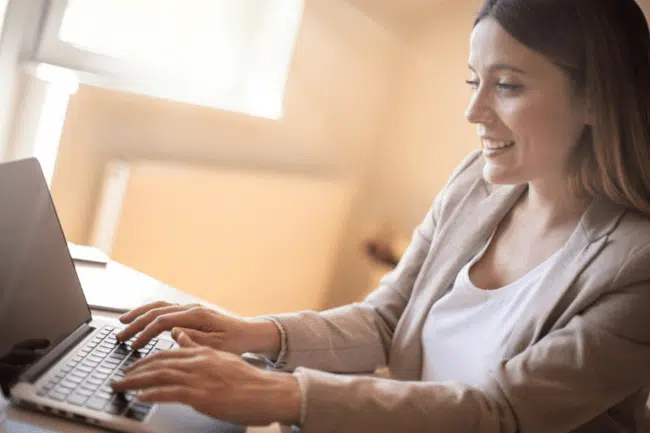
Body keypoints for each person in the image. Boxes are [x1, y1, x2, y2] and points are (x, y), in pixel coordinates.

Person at [110, 0, 650, 431]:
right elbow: (387, 319)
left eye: (506, 85)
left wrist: (282, 393)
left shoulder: (637, 265)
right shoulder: (474, 184)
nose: (473, 111)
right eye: (473, 81)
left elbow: (502, 414)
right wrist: (255, 333)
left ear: (595, 100)